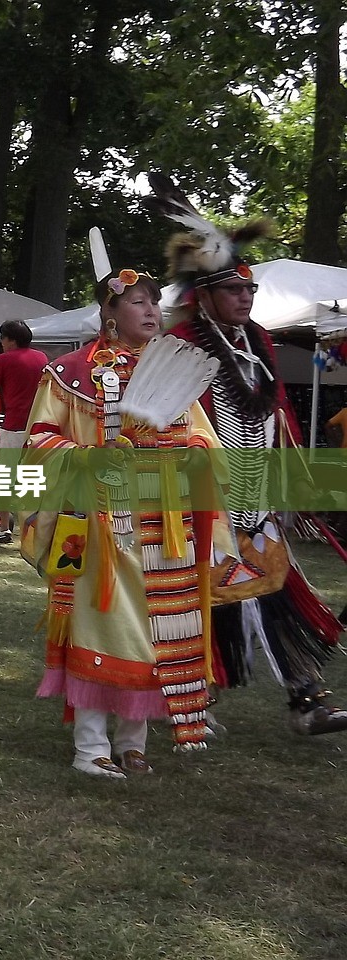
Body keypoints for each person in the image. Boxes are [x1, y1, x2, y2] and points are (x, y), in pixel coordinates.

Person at [153, 188, 347, 736]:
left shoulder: (257, 341)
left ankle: (307, 703)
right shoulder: (182, 344)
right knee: (205, 602)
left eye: (250, 288)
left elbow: (276, 414)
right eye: (235, 289)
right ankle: (193, 701)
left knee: (280, 592)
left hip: (256, 496)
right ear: (207, 294)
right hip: (203, 502)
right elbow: (167, 420)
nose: (246, 298)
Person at [23, 265, 222, 778]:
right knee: (101, 625)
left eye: (155, 302)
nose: (151, 310)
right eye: (136, 301)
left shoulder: (175, 373)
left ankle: (135, 739)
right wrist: (90, 457)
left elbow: (205, 439)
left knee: (159, 632)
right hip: (95, 523)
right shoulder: (70, 372)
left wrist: (186, 448)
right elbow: (39, 441)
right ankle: (91, 748)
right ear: (108, 311)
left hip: (164, 525)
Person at [0, 319, 48, 535]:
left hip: (13, 425)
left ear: (10, 340)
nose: (1, 343)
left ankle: (4, 527)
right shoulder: (41, 357)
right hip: (38, 426)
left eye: (2, 338)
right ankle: (37, 524)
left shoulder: (3, 360)